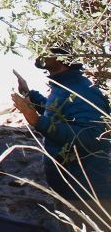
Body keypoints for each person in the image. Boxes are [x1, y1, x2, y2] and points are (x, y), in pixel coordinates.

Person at [11, 47, 111, 230]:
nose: (38, 50)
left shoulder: (82, 90)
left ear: (60, 55)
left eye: (45, 47)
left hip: (88, 196)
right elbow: (60, 113)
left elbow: (90, 136)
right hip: (71, 192)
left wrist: (38, 122)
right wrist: (30, 97)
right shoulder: (65, 86)